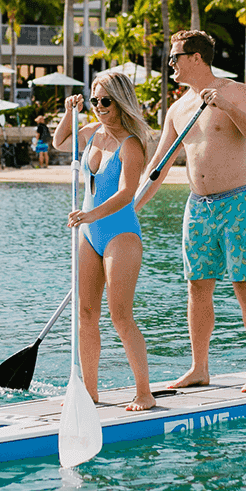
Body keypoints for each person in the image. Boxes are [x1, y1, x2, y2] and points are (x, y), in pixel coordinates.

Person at [74, 29, 246, 393]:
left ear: (196, 58)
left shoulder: (236, 93)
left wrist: (227, 108)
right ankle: (200, 368)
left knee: (244, 284)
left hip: (239, 202)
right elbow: (157, 168)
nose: (170, 64)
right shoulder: (178, 108)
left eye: (175, 57)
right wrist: (127, 211)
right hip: (198, 206)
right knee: (197, 287)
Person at [51, 71, 158, 411]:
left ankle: (145, 392)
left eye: (106, 102)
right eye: (95, 101)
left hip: (120, 233)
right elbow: (59, 142)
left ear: (121, 101)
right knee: (85, 313)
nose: (99, 107)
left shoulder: (132, 144)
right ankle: (91, 393)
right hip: (88, 233)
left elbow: (127, 193)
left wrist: (90, 216)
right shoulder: (92, 132)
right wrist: (71, 111)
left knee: (120, 315)